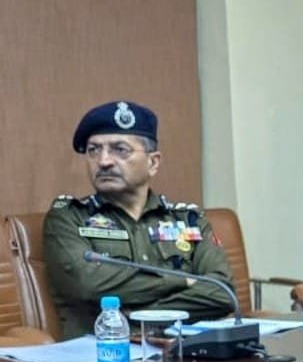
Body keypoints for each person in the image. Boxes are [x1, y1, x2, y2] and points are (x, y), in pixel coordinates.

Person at [43, 101, 236, 339]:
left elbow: (221, 292)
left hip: (181, 349)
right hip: (103, 352)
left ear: (153, 162)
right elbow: (87, 284)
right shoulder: (69, 217)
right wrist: (182, 281)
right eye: (94, 150)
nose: (103, 161)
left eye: (120, 149)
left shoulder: (188, 219)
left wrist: (137, 320)